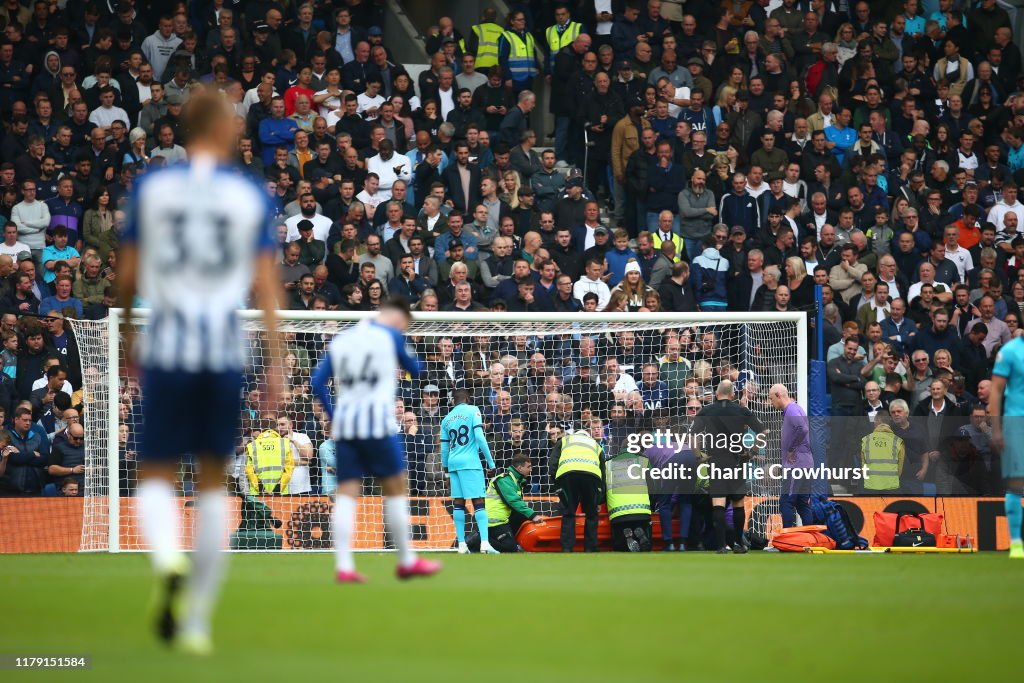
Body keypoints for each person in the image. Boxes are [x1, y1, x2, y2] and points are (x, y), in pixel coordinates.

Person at [117, 89, 284, 654]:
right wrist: (276, 361)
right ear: (224, 130)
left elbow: (126, 276)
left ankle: (167, 559)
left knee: (156, 473)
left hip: (166, 348)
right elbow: (265, 285)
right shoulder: (247, 194)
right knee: (215, 478)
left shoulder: (152, 188)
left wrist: (128, 339)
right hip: (221, 352)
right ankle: (197, 622)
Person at [310, 296, 441, 581]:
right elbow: (416, 370)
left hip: (346, 428)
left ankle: (344, 567)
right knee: (396, 488)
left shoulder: (341, 340)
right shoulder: (390, 336)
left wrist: (334, 415)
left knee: (346, 493)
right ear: (397, 318)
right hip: (378, 426)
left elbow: (316, 383)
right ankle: (406, 560)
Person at [691, 380, 767, 553]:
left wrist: (699, 456)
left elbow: (693, 435)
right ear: (733, 394)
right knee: (738, 503)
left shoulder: (707, 410)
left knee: (718, 503)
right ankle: (738, 544)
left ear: (716, 394)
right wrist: (752, 452)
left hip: (716, 461)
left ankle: (721, 545)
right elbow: (763, 432)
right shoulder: (741, 410)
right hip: (737, 461)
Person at [440, 388, 498, 554]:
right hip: (470, 462)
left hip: (453, 464)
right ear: (468, 398)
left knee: (458, 502)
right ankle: (485, 544)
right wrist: (491, 463)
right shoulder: (473, 410)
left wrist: (446, 471)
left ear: (454, 401)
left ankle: (461, 545)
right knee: (478, 502)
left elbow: (444, 449)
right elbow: (479, 437)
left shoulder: (446, 419)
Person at [990, 334, 1024, 559]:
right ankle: (1016, 542)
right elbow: (996, 390)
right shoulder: (1010, 351)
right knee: (1017, 483)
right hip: (1016, 422)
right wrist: (996, 428)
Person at [466, 454, 543, 553]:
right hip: (493, 521)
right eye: (528, 467)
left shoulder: (514, 481)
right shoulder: (504, 480)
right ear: (519, 468)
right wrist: (533, 515)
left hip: (503, 519)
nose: (531, 469)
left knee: (523, 515)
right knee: (510, 549)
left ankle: (511, 540)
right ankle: (477, 540)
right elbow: (514, 501)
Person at [549, 418, 605, 552]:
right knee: (591, 514)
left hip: (567, 476)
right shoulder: (596, 445)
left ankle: (567, 548)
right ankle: (590, 548)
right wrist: (599, 498)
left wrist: (557, 484)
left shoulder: (564, 441)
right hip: (591, 476)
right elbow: (603, 473)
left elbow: (552, 464)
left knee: (568, 512)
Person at [769, 384, 813, 528]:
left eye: (771, 399)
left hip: (796, 465)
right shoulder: (796, 408)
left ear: (778, 395)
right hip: (805, 463)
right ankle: (811, 538)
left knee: (786, 502)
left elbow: (802, 428)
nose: (771, 402)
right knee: (802, 504)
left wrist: (791, 449)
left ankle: (789, 538)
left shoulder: (791, 409)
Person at [604, 442, 652, 552]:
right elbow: (654, 484)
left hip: (617, 513)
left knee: (621, 548)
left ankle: (627, 535)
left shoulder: (608, 463)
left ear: (621, 448)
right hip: (641, 510)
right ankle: (638, 531)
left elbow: (602, 486)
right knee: (646, 551)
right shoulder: (643, 460)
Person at [859, 411, 905, 493]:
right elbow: (900, 468)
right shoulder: (898, 441)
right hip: (891, 486)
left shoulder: (866, 440)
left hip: (870, 486)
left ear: (877, 421)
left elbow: (863, 466)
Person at [244, 427, 296, 494]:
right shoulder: (285, 443)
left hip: (258, 493)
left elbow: (249, 471)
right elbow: (289, 468)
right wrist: (277, 489)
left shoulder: (252, 445)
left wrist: (260, 488)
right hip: (280, 493)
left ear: (262, 431)